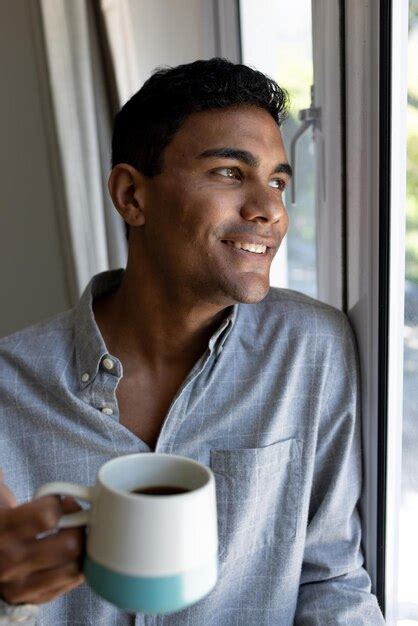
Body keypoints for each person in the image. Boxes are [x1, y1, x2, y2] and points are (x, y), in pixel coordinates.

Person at [0, 57, 385, 625]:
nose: (271, 210)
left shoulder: (312, 351)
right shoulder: (9, 387)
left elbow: (330, 581)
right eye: (231, 172)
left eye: (278, 180)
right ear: (132, 196)